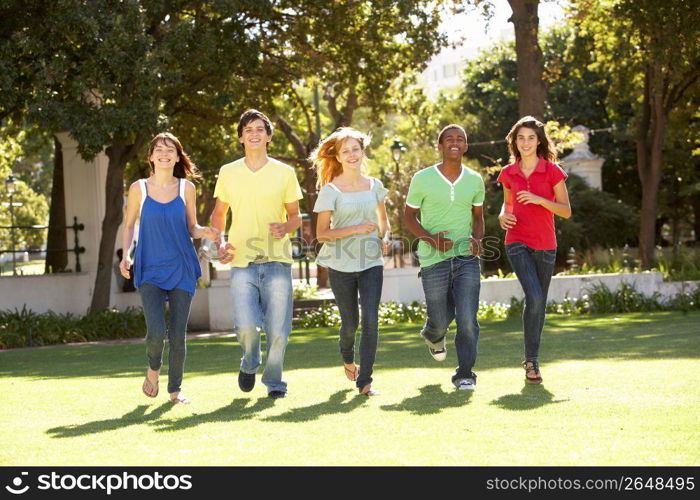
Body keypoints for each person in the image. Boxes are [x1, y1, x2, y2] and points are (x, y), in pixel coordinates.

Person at [120, 132, 219, 404]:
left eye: (170, 150)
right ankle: (153, 368)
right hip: (149, 267)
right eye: (159, 149)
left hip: (181, 267)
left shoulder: (186, 188)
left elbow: (192, 227)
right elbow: (129, 225)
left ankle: (175, 390)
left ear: (177, 157)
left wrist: (208, 232)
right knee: (155, 330)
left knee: (177, 335)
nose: (164, 154)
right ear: (151, 156)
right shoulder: (138, 188)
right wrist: (125, 255)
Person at [211, 109, 303, 399]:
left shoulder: (284, 172)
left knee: (279, 330)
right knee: (247, 326)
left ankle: (274, 382)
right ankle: (250, 362)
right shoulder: (228, 172)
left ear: (268, 136)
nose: (254, 133)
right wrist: (220, 244)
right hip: (241, 261)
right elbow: (218, 214)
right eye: (248, 129)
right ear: (241, 137)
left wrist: (286, 226)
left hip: (277, 260)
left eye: (260, 129)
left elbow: (296, 216)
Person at [310, 127, 391, 396]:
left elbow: (384, 223)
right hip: (341, 265)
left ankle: (365, 381)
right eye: (346, 151)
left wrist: (386, 237)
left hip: (371, 261)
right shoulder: (331, 190)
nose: (352, 154)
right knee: (349, 324)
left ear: (362, 151)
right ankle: (347, 358)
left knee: (371, 319)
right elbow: (322, 234)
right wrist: (355, 229)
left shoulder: (375, 186)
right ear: (339, 156)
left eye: (355, 149)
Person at [404, 124, 485, 391]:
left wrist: (478, 239)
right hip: (433, 259)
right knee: (439, 319)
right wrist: (432, 240)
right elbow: (408, 217)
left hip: (465, 258)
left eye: (460, 139)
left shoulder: (475, 179)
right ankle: (433, 334)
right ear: (440, 146)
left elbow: (478, 217)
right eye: (448, 139)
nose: (454, 142)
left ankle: (465, 373)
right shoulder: (422, 178)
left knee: (467, 317)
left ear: (465, 146)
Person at [497, 116, 571, 384]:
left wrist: (540, 200)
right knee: (535, 297)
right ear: (514, 142)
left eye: (530, 137)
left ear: (539, 140)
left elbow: (565, 210)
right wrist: (502, 217)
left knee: (537, 301)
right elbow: (507, 205)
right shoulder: (508, 173)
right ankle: (532, 362)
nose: (525, 142)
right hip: (516, 240)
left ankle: (531, 358)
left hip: (545, 245)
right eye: (520, 138)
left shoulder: (552, 171)